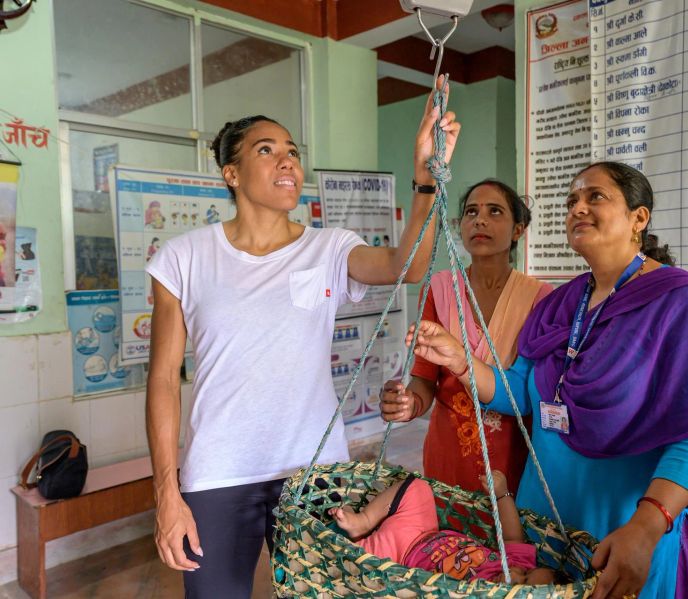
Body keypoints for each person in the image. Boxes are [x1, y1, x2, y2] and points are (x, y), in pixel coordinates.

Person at [145, 78, 460, 598]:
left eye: (292, 151)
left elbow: (407, 265)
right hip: (220, 471)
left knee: (327, 592)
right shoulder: (183, 258)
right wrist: (166, 493)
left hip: (314, 471)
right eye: (265, 151)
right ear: (231, 173)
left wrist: (425, 180)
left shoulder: (330, 247)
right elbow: (161, 381)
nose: (286, 161)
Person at [404, 162, 688, 599]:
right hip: (544, 522)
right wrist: (460, 361)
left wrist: (646, 528)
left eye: (595, 197)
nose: (578, 208)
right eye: (572, 201)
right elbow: (520, 394)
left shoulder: (680, 303)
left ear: (639, 218)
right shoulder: (563, 303)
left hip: (622, 522)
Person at [379, 180, 552, 493]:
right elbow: (425, 379)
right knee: (450, 538)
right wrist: (409, 404)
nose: (480, 220)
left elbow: (531, 394)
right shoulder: (440, 289)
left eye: (494, 211)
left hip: (511, 457)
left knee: (509, 540)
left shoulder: (539, 298)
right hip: (448, 451)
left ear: (518, 230)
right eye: (472, 212)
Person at [329, 470, 558, 585]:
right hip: (425, 529)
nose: (517, 575)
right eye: (527, 573)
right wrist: (502, 494)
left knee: (355, 565)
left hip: (400, 556)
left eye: (524, 585)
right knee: (418, 488)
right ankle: (365, 521)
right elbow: (512, 537)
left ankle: (345, 538)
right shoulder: (514, 565)